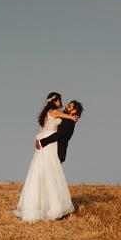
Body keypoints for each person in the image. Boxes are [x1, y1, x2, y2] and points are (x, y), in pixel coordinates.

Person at [12, 92, 78, 222]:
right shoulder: (54, 112)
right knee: (51, 174)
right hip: (49, 143)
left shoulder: (47, 113)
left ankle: (42, 205)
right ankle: (53, 206)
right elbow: (65, 117)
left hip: (46, 142)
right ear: (55, 101)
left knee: (41, 173)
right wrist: (73, 117)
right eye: (60, 100)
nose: (62, 103)